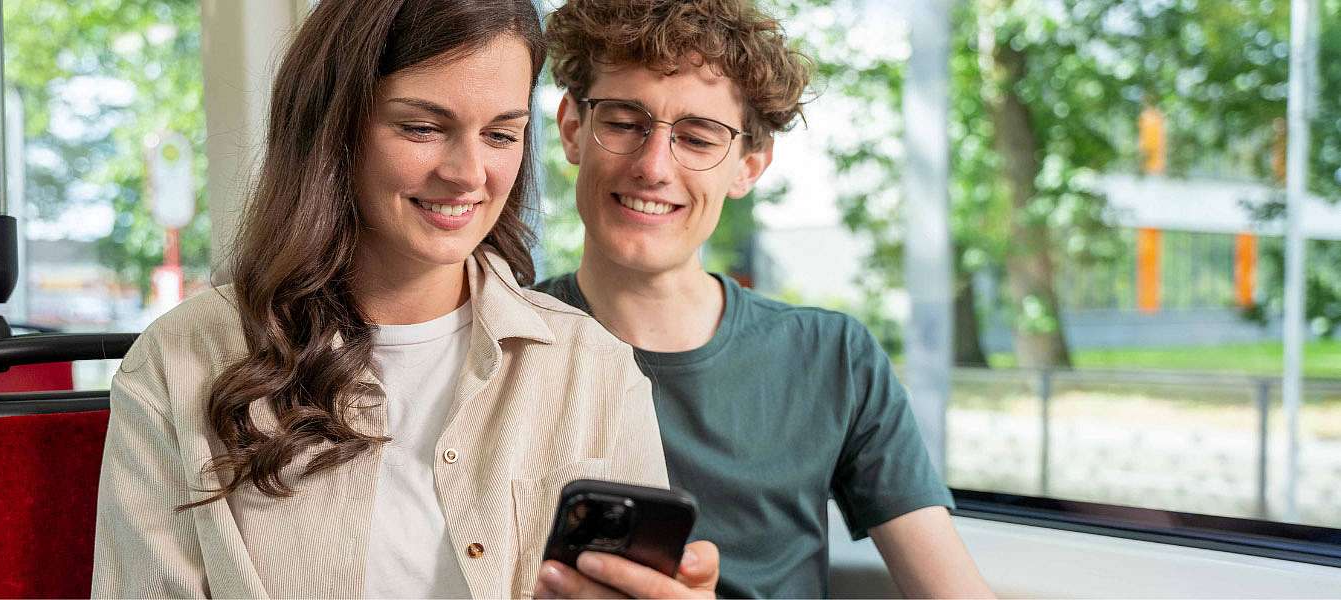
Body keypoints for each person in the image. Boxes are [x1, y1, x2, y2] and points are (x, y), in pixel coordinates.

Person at [91, 1, 709, 597]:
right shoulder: (178, 363)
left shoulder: (595, 368)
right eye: (421, 127)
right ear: (334, 129)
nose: (469, 173)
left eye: (500, 134)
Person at [531, 0, 994, 597]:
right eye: (623, 122)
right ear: (573, 129)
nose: (653, 166)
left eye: (697, 138)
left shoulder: (833, 357)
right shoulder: (495, 344)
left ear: (749, 166)